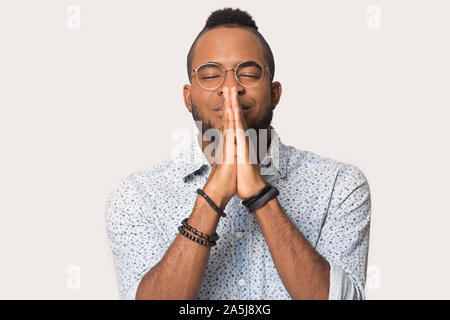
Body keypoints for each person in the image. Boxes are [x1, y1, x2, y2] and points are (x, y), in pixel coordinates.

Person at [105, 7, 371, 300]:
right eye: (210, 75)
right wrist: (213, 196)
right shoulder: (137, 195)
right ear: (188, 97)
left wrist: (259, 194)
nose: (230, 88)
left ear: (274, 93)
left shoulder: (339, 185)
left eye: (248, 73)